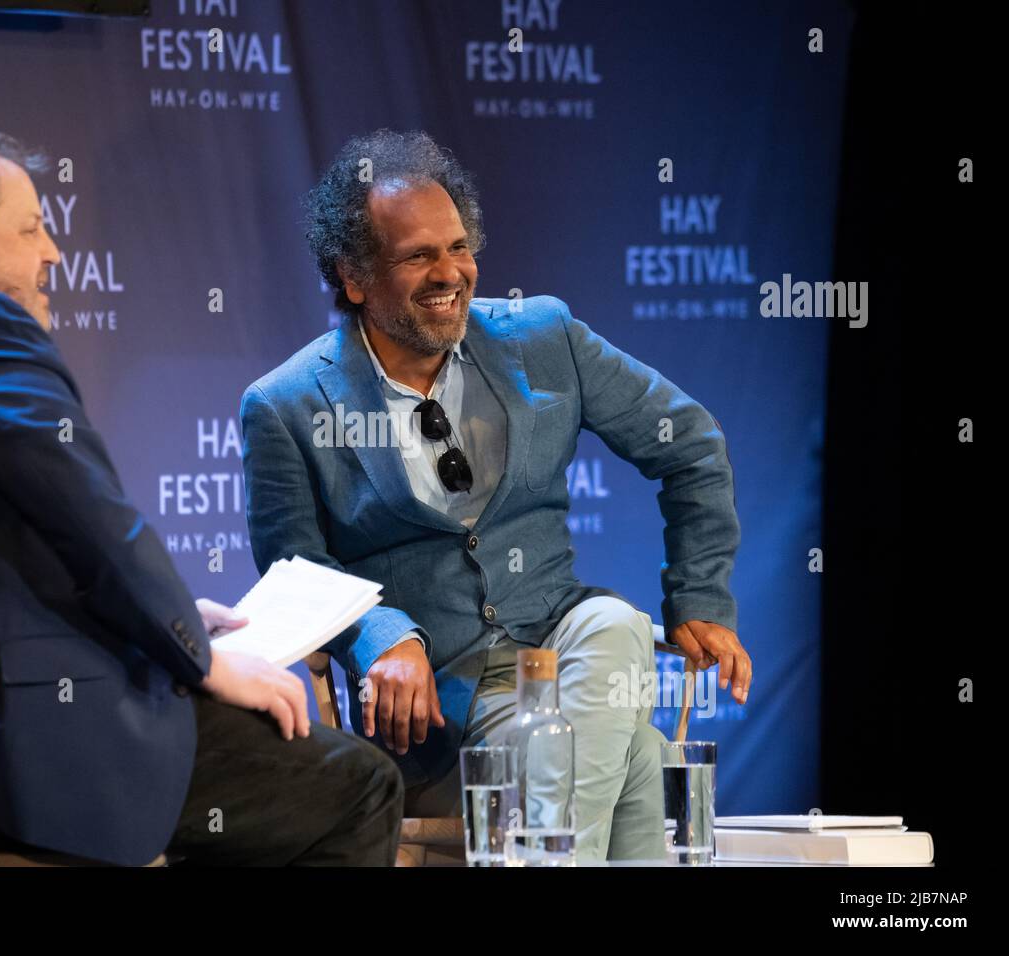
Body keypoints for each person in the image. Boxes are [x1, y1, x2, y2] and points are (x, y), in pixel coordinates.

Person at [0, 118, 402, 866]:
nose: (52, 253)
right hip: (20, 765)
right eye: (30, 230)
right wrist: (199, 659)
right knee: (358, 786)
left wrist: (173, 617)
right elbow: (99, 528)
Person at [241, 129, 752, 861]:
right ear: (354, 276)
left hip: (567, 647)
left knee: (616, 623)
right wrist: (385, 634)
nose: (449, 272)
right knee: (637, 756)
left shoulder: (542, 338)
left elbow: (691, 443)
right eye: (417, 255)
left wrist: (700, 595)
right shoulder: (286, 405)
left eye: (457, 246)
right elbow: (296, 573)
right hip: (446, 717)